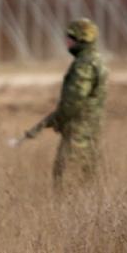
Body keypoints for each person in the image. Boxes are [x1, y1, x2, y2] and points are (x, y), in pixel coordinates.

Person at [44, 18, 107, 187]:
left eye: (71, 37)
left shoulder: (84, 65)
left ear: (82, 39)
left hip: (79, 127)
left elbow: (75, 99)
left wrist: (59, 118)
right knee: (86, 172)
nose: (66, 41)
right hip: (90, 126)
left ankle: (66, 210)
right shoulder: (95, 60)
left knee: (66, 173)